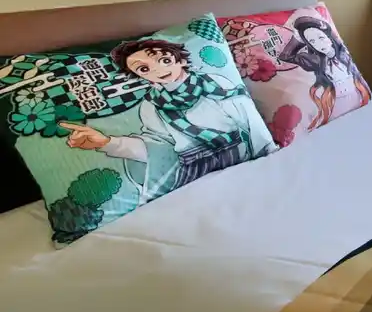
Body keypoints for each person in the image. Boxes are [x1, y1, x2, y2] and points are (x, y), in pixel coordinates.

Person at [59, 39, 272, 203]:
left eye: (164, 60)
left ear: (181, 60)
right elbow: (158, 148)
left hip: (240, 151)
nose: (158, 70)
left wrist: (266, 154)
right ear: (139, 76)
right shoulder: (152, 105)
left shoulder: (215, 84)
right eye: (143, 69)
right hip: (193, 167)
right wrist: (107, 143)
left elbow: (247, 121)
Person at [279, 15, 371, 130]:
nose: (319, 44)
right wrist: (298, 39)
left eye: (321, 38)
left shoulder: (341, 52)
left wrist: (324, 27)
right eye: (312, 41)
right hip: (337, 102)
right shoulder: (315, 60)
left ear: (328, 37)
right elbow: (285, 56)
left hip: (357, 97)